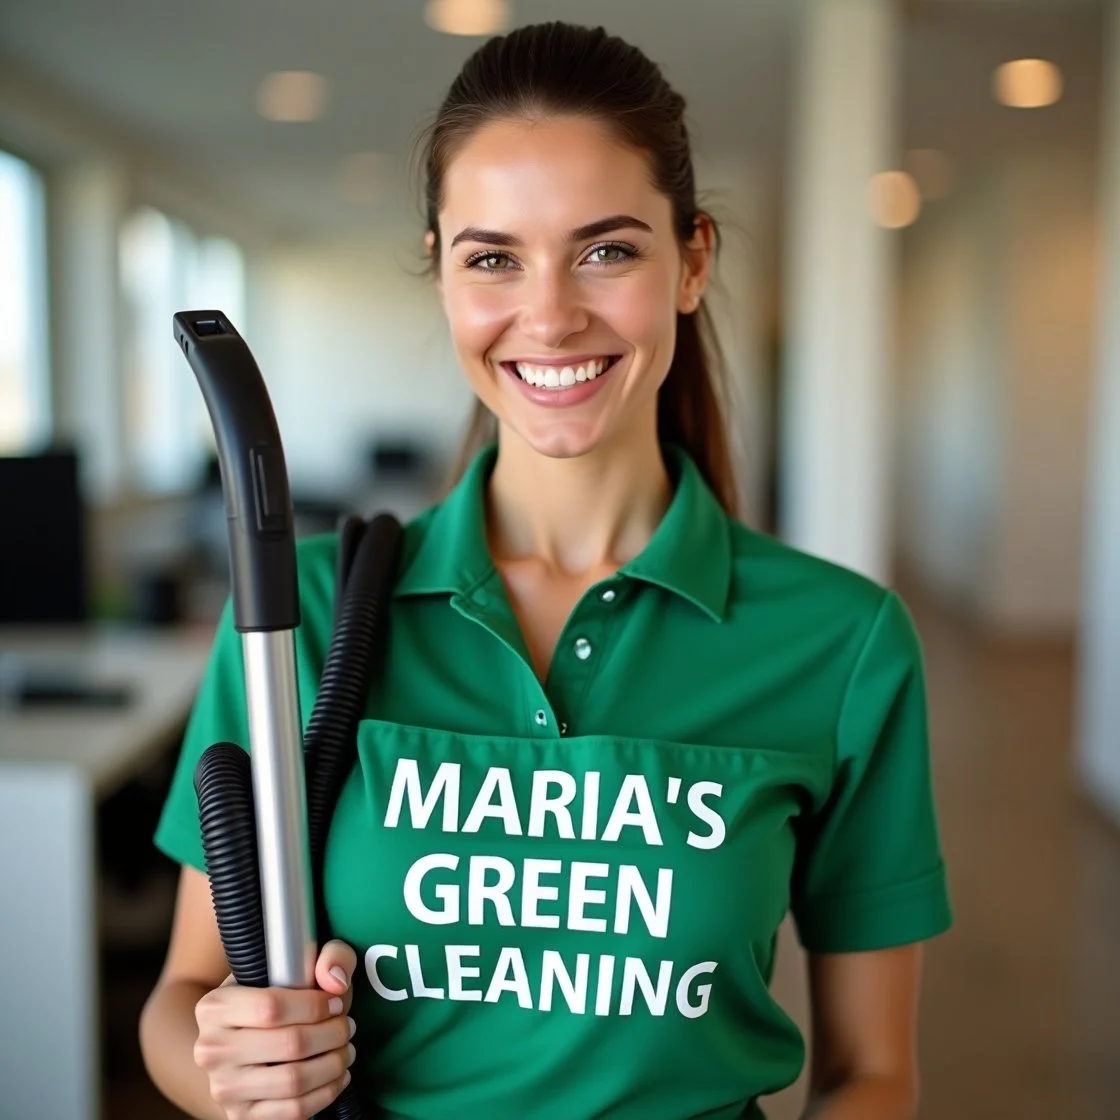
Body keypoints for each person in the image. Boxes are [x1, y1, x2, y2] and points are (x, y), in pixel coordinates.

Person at [140, 21, 952, 1120]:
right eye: (493, 257)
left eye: (607, 249)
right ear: (440, 269)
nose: (551, 312)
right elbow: (183, 998)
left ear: (692, 259)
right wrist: (229, 1067)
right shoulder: (300, 616)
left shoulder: (842, 641)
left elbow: (873, 1074)